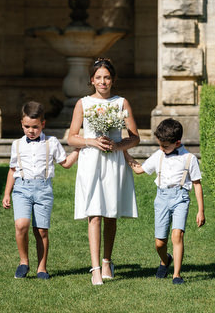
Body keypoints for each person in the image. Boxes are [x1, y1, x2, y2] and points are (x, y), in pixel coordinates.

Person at [67, 57, 140, 286]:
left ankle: (107, 260)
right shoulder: (83, 103)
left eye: (107, 77)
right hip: (91, 161)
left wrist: (118, 146)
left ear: (113, 79)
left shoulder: (121, 103)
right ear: (92, 80)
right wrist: (91, 141)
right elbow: (71, 137)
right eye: (98, 77)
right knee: (95, 213)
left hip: (113, 161)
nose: (103, 81)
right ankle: (95, 268)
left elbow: (135, 137)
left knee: (110, 213)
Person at [2, 101, 79, 280]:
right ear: (21, 124)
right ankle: (23, 262)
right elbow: (13, 169)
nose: (31, 130)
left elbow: (65, 163)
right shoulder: (17, 144)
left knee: (41, 230)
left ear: (42, 124)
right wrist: (7, 193)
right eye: (27, 126)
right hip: (21, 188)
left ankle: (42, 268)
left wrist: (78, 150)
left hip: (43, 189)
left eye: (35, 127)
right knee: (21, 225)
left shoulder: (51, 143)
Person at [125, 117, 205, 284]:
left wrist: (200, 210)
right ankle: (164, 260)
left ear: (177, 143)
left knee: (177, 236)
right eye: (160, 145)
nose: (161, 148)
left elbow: (197, 184)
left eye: (165, 146)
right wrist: (124, 153)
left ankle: (177, 275)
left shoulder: (190, 159)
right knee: (160, 243)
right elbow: (140, 170)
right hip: (161, 198)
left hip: (181, 198)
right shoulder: (159, 155)